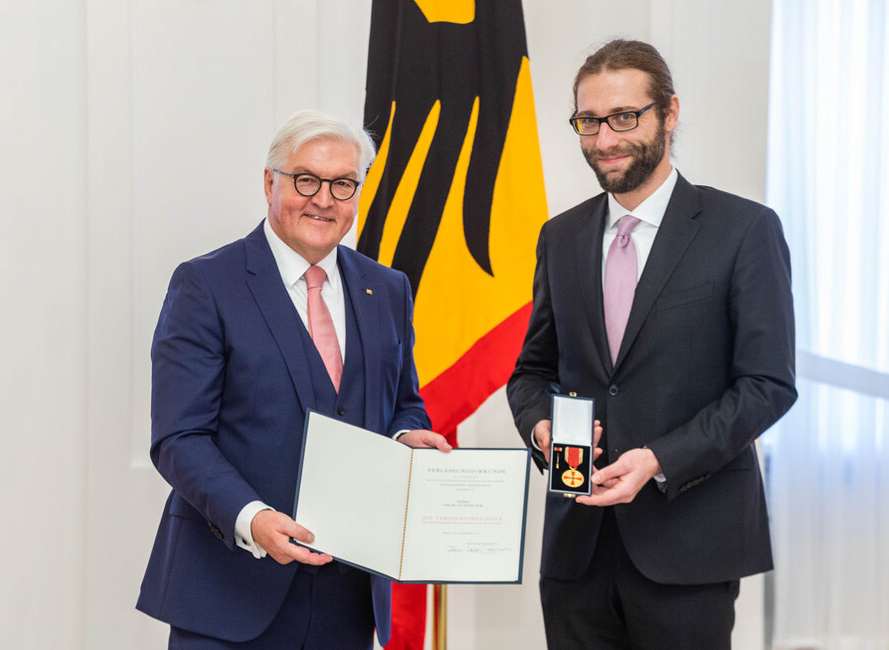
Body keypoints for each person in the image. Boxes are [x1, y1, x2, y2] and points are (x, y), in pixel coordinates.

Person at [506, 39, 797, 648]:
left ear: (669, 112)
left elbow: (767, 386)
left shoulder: (744, 230)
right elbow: (532, 375)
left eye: (624, 117)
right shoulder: (559, 238)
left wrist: (658, 459)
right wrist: (542, 429)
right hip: (575, 553)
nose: (605, 138)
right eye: (589, 121)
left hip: (690, 545)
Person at [136, 109, 450, 649]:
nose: (324, 199)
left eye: (343, 184)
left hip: (349, 596)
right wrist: (253, 519)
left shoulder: (389, 289)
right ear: (269, 182)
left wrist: (405, 437)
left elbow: (403, 404)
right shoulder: (206, 284)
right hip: (229, 592)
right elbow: (179, 437)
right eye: (306, 179)